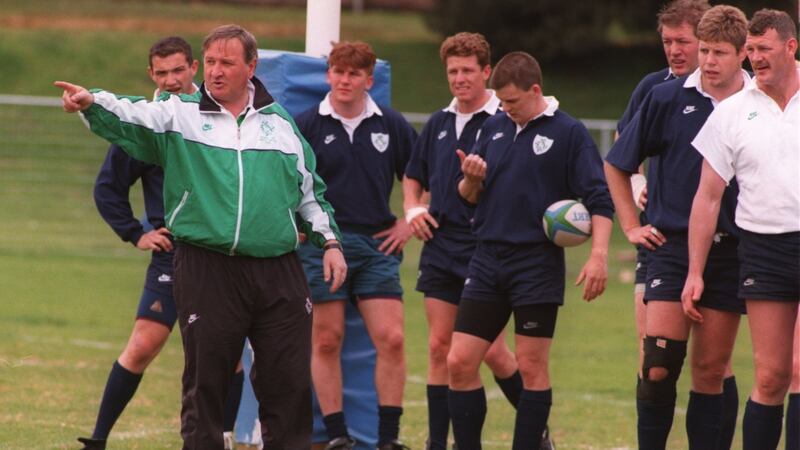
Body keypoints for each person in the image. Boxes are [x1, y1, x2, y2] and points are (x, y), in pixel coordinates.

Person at [56, 24, 346, 450]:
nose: (215, 71)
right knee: (206, 385)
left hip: (279, 272)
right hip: (207, 268)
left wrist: (331, 243)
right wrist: (92, 101)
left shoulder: (282, 125)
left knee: (288, 386)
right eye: (210, 62)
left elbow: (311, 195)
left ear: (251, 67)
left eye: (226, 62)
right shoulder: (179, 115)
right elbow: (132, 113)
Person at [77, 35, 243, 450]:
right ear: (152, 74)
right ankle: (98, 439)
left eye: (178, 70)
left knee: (226, 353)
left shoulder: (220, 116)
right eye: (162, 72)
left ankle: (221, 437)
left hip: (221, 255)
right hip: (172, 256)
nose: (170, 80)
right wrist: (137, 233)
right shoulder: (145, 121)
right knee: (142, 345)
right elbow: (107, 189)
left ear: (193, 69)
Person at [446, 51, 614, 450]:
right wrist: (470, 180)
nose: (506, 109)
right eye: (501, 102)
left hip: (536, 263)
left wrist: (598, 256)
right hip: (487, 258)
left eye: (513, 102)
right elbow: (468, 196)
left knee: (533, 366)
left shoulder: (569, 133)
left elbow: (599, 200)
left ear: (535, 90)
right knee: (459, 362)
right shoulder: (494, 127)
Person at [606, 6, 752, 448]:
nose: (707, 60)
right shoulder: (665, 97)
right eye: (703, 50)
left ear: (743, 54)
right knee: (657, 365)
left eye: (717, 52)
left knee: (710, 371)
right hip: (670, 245)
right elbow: (617, 163)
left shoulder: (759, 105)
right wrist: (631, 226)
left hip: (731, 252)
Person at [402, 32, 554, 450]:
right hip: (440, 245)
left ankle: (537, 431)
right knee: (438, 347)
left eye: (468, 70)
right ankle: (438, 442)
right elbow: (413, 176)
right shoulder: (437, 123)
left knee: (492, 353)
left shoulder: (504, 120)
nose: (459, 78)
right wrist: (414, 209)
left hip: (484, 247)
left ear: (486, 72)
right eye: (452, 70)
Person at [293, 41, 417, 450]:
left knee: (392, 338)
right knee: (326, 340)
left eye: (353, 74)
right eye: (337, 72)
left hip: (377, 246)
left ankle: (388, 439)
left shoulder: (392, 125)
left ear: (369, 79)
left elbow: (425, 176)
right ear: (328, 75)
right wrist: (297, 227)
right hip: (324, 245)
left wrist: (408, 221)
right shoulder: (307, 124)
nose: (344, 80)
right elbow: (288, 184)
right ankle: (336, 436)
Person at [684, 9, 799, 449]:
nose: (754, 59)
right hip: (763, 252)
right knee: (770, 376)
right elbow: (707, 197)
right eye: (749, 50)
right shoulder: (731, 114)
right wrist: (695, 272)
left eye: (763, 49)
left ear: (791, 46)